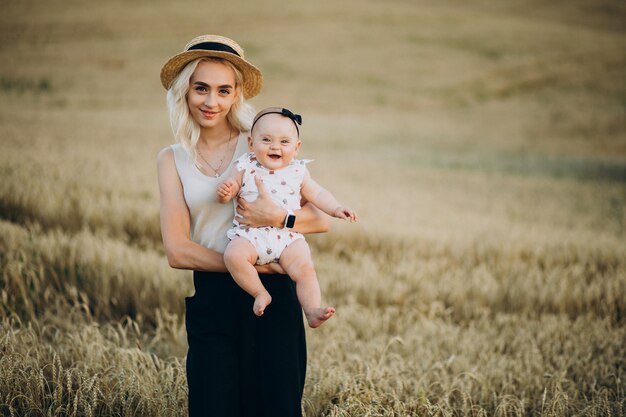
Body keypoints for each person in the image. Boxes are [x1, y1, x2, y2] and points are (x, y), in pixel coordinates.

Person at [156, 35, 329, 417]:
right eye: (200, 88)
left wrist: (277, 218)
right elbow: (177, 250)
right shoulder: (171, 159)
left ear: (236, 95)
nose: (211, 101)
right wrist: (250, 265)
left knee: (276, 409)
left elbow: (319, 221)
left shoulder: (263, 142)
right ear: (185, 91)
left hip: (276, 299)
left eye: (223, 90)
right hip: (213, 301)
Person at [217, 107, 357, 327]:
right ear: (251, 144)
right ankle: (260, 293)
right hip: (250, 235)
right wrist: (227, 191)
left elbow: (318, 193)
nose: (275, 147)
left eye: (284, 142)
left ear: (296, 147)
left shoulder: (298, 171)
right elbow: (233, 185)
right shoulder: (244, 165)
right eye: (266, 140)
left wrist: (336, 208)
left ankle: (311, 310)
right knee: (233, 256)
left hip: (287, 236)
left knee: (305, 268)